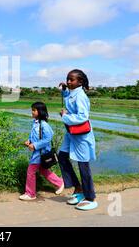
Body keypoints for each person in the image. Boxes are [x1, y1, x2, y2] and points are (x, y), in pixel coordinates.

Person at [58, 69, 98, 211]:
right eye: (68, 79)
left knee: (83, 164)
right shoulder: (72, 92)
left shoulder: (80, 96)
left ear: (80, 82)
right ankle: (78, 188)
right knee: (62, 157)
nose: (69, 81)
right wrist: (64, 90)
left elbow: (82, 116)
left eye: (72, 80)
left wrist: (65, 116)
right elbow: (69, 97)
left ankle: (90, 197)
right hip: (71, 133)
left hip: (80, 135)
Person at [19, 102, 64, 201]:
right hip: (37, 152)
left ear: (40, 112)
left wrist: (35, 145)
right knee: (43, 170)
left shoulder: (44, 124)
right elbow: (34, 135)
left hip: (40, 153)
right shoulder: (35, 123)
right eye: (32, 110)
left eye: (34, 110)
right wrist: (29, 141)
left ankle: (30, 194)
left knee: (31, 171)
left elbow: (48, 138)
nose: (32, 112)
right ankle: (60, 183)